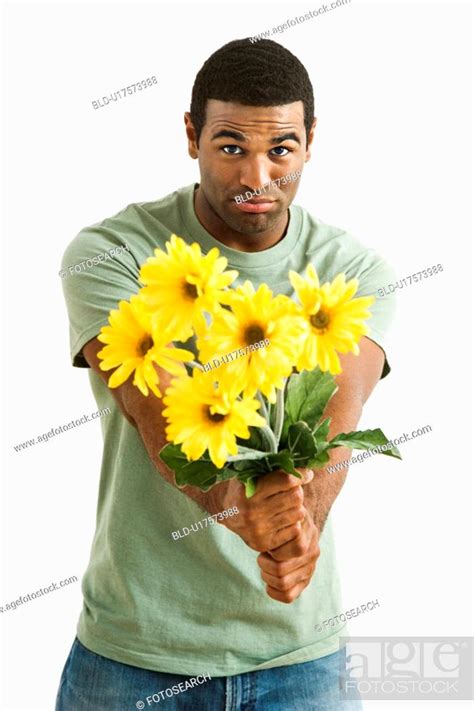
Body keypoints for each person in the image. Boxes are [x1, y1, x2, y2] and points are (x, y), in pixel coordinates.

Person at [56, 38, 395, 710]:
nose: (257, 177)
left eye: (282, 149)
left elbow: (335, 424)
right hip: (133, 654)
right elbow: (159, 416)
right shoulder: (109, 254)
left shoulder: (353, 272)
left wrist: (297, 531)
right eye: (231, 146)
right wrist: (246, 516)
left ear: (311, 141)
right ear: (191, 135)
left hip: (300, 661)